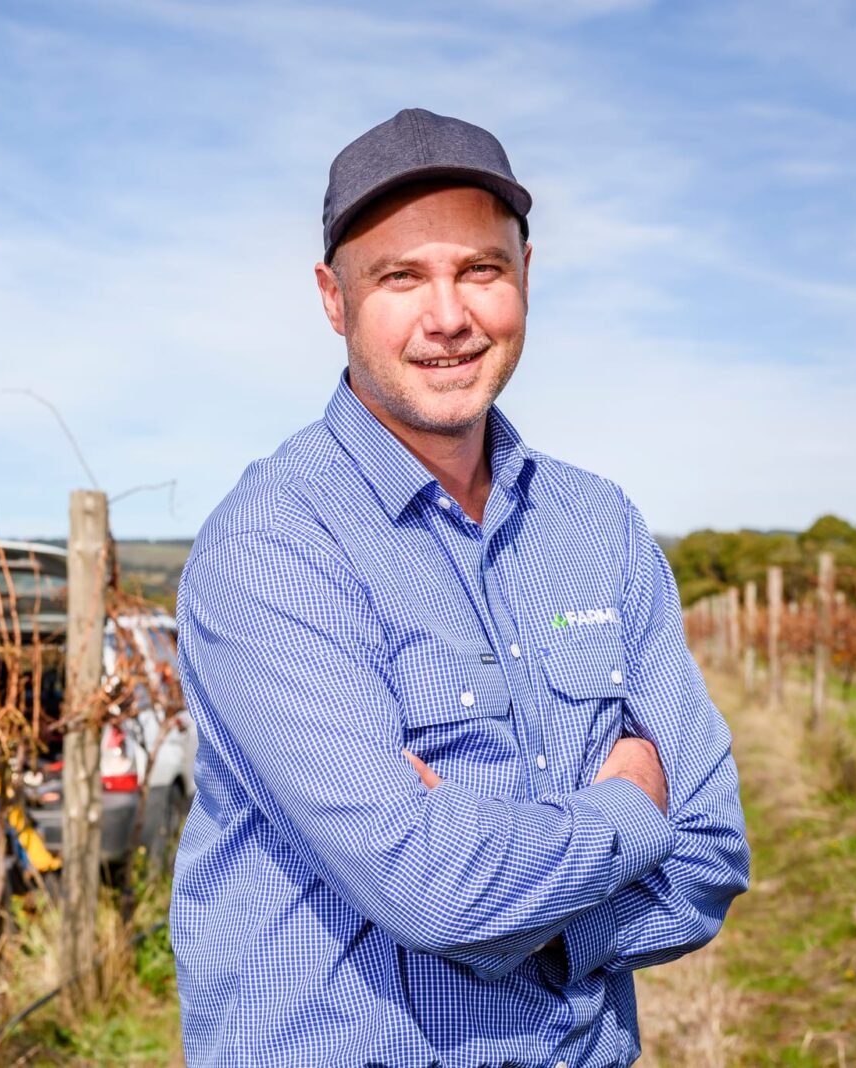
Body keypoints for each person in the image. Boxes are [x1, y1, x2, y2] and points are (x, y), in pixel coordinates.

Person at [170, 108, 750, 1066]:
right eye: (401, 277)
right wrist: (627, 808)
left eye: (480, 269)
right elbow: (430, 888)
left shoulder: (598, 526)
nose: (449, 316)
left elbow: (712, 852)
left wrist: (516, 902)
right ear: (332, 296)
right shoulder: (275, 544)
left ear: (526, 274)